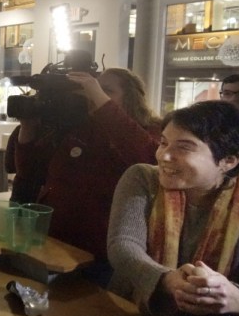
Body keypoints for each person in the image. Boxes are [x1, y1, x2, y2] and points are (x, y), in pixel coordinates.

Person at [106, 100, 239, 316]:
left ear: (229, 160)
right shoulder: (143, 178)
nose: (164, 156)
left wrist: (234, 297)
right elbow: (123, 245)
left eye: (183, 147)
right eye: (163, 143)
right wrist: (166, 281)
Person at [13, 67, 161, 286]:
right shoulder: (81, 128)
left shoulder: (147, 131)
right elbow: (30, 171)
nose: (95, 95)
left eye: (107, 90)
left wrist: (97, 96)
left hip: (101, 254)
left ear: (132, 97)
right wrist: (27, 126)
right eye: (94, 88)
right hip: (55, 245)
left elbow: (148, 158)